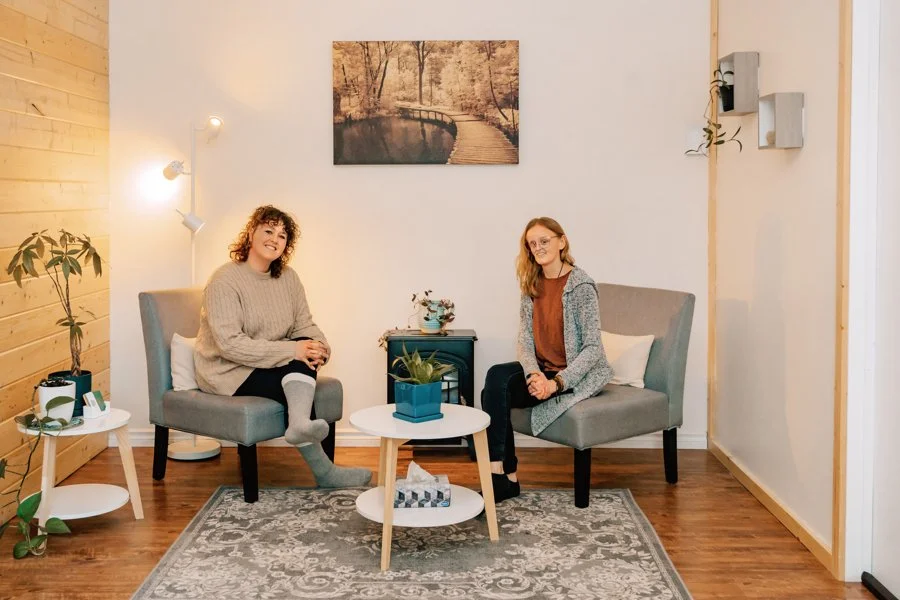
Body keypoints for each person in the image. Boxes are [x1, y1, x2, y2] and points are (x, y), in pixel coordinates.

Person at [194, 205, 371, 488]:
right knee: (297, 364)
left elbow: (304, 325)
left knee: (304, 356)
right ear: (251, 232)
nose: (275, 239)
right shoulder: (224, 280)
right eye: (268, 230)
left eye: (282, 235)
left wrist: (320, 347)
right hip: (228, 370)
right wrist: (294, 351)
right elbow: (229, 345)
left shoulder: (288, 278)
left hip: (266, 361)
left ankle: (300, 425)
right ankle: (324, 469)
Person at [481, 217, 612, 502]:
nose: (538, 247)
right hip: (542, 371)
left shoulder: (582, 286)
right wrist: (533, 375)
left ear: (562, 242)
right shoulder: (532, 284)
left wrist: (556, 384)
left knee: (493, 391)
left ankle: (504, 479)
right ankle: (501, 474)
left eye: (544, 241)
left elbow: (592, 349)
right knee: (495, 378)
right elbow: (525, 340)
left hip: (573, 375)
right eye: (532, 244)